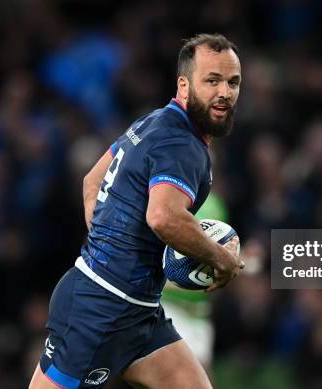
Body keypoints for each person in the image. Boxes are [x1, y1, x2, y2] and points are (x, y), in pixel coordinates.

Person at [28, 33, 244, 389]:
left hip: (139, 312)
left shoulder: (154, 122)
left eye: (232, 82)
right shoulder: (181, 144)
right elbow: (163, 217)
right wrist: (220, 258)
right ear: (184, 85)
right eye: (212, 80)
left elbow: (91, 183)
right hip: (99, 311)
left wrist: (110, 245)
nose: (224, 92)